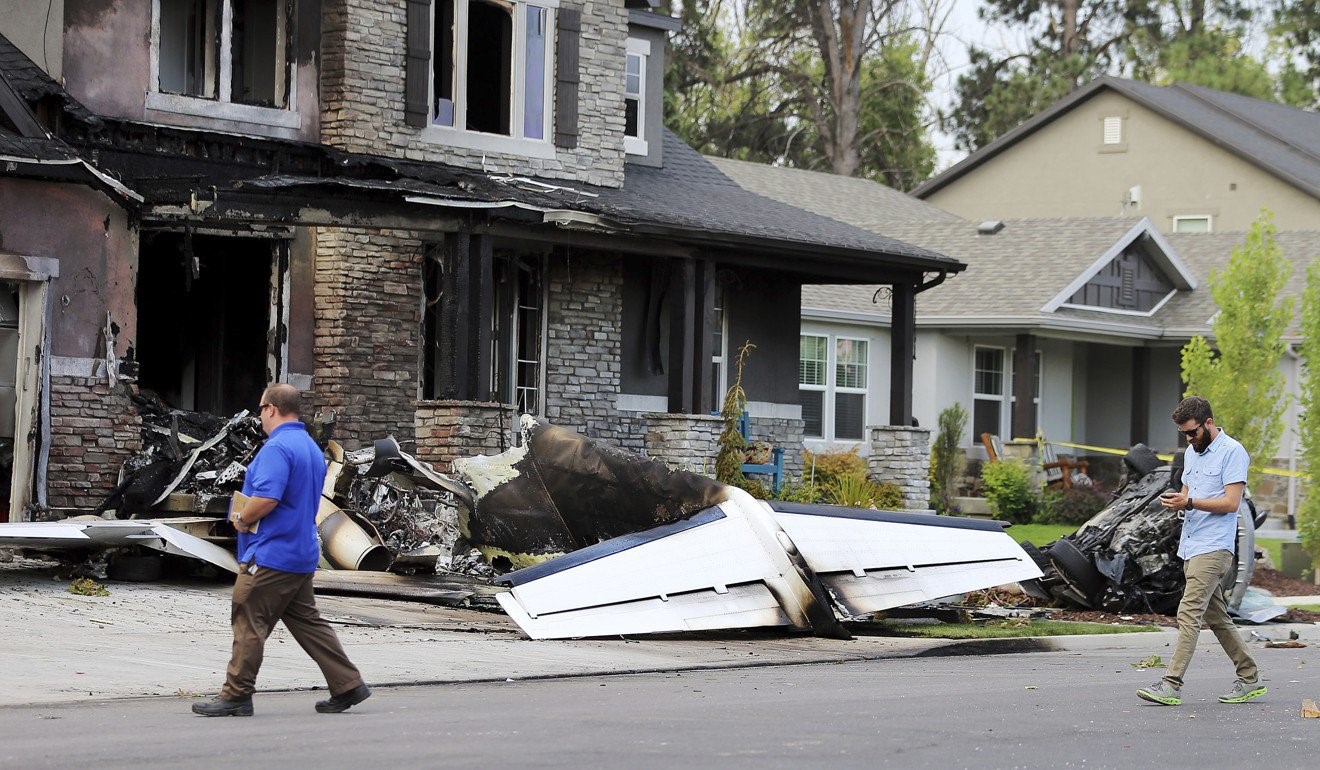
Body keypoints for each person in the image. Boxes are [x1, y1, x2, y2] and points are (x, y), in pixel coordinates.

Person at [192, 384, 371, 716]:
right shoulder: (311, 449)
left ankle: (236, 695)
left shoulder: (276, 449)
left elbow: (268, 498)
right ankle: (348, 684)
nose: (259, 417)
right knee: (308, 622)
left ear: (271, 409)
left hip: (271, 555)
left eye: (260, 410)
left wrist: (243, 519)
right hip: (300, 552)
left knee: (248, 618)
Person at [1136, 396, 1264, 706]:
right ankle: (1250, 677)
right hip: (1191, 545)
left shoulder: (1233, 452)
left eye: (1192, 432)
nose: (1189, 439)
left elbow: (1232, 503)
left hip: (1214, 548)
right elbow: (1188, 491)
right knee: (1217, 617)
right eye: (1184, 434)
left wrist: (1190, 502)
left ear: (1208, 423)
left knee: (1188, 612)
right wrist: (1177, 500)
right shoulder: (1192, 454)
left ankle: (1171, 684)